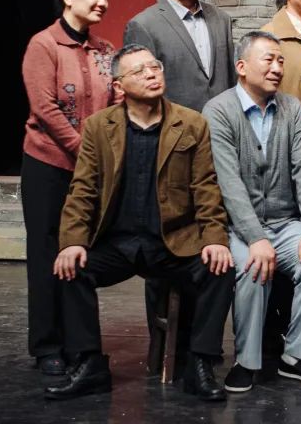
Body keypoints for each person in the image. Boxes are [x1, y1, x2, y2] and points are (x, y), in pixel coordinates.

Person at [46, 45, 234, 402]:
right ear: (119, 86)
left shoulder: (191, 123)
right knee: (69, 269)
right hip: (117, 243)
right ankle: (89, 364)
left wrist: (215, 239)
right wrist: (73, 242)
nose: (151, 74)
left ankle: (200, 363)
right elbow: (83, 189)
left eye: (155, 66)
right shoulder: (99, 127)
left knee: (220, 269)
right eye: (140, 71)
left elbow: (206, 188)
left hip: (171, 243)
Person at [123, 0, 236, 370]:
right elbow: (141, 93)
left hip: (216, 149)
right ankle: (164, 348)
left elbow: (225, 87)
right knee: (166, 248)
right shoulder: (144, 25)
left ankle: (201, 347)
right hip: (167, 153)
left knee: (210, 247)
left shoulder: (221, 20)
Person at [202, 31, 301, 393]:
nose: (277, 67)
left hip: (285, 221)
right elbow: (229, 183)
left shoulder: (292, 109)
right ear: (242, 67)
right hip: (238, 226)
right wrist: (256, 238)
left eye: (281, 60)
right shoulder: (218, 111)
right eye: (269, 60)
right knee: (252, 265)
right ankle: (246, 361)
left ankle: (298, 355)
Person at [19, 0, 118, 376]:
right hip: (48, 164)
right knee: (46, 252)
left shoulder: (105, 50)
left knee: (80, 252)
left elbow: (116, 102)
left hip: (89, 169)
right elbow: (45, 108)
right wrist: (83, 150)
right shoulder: (43, 44)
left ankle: (80, 344)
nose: (103, 2)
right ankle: (47, 346)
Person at [123, 0, 236, 112]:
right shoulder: (143, 25)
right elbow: (140, 90)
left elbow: (231, 80)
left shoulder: (221, 19)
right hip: (174, 125)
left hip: (222, 123)